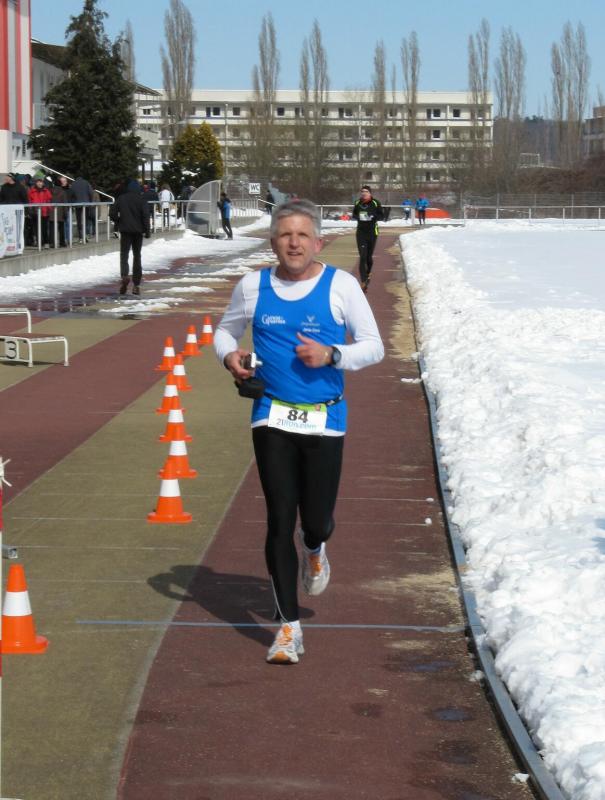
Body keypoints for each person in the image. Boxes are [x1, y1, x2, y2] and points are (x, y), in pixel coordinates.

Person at [214, 198, 384, 664]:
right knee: (278, 518)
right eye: (285, 235)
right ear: (273, 242)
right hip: (271, 415)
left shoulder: (341, 286)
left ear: (318, 242)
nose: (294, 243)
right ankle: (288, 628)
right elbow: (225, 332)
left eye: (302, 235)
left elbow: (374, 347)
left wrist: (333, 354)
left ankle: (315, 547)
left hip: (325, 418)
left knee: (316, 521)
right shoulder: (252, 286)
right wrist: (230, 357)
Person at [109, 180, 151, 295]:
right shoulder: (142, 200)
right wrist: (147, 231)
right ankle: (136, 285)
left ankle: (124, 276)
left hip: (125, 231)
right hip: (138, 231)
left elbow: (112, 213)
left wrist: (119, 221)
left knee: (124, 255)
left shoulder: (121, 198)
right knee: (137, 256)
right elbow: (145, 216)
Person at [351, 185, 383, 293]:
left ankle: (368, 273)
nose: (364, 193)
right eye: (362, 191)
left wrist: (372, 217)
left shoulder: (375, 203)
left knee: (369, 257)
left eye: (366, 191)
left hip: (372, 232)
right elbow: (354, 214)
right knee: (362, 257)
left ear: (370, 193)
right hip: (361, 233)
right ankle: (363, 281)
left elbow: (382, 216)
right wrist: (359, 217)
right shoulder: (357, 203)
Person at [28, 176, 53, 248]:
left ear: (43, 183)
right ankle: (39, 242)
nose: (39, 183)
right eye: (38, 182)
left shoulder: (46, 191)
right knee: (36, 229)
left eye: (41, 182)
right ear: (36, 183)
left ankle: (46, 242)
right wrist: (30, 210)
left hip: (44, 212)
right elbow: (29, 201)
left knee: (44, 228)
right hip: (35, 212)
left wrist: (49, 209)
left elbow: (49, 200)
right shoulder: (32, 191)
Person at [71, 175, 94, 242]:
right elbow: (91, 193)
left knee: (79, 220)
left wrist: (73, 202)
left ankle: (80, 237)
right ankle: (85, 235)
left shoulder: (73, 184)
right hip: (86, 204)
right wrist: (90, 201)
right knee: (86, 220)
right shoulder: (86, 182)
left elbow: (71, 194)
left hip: (77, 204)